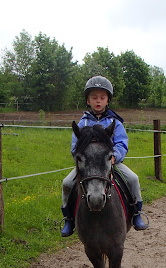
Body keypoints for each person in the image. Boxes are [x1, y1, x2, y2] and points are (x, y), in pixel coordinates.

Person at [61, 75, 148, 237]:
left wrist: (115, 156)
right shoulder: (83, 123)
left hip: (110, 162)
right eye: (94, 98)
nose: (98, 101)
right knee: (67, 183)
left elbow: (122, 143)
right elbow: (75, 147)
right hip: (88, 165)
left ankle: (136, 214)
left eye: (102, 97)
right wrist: (81, 160)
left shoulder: (115, 123)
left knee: (133, 178)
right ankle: (68, 219)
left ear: (108, 100)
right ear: (88, 101)